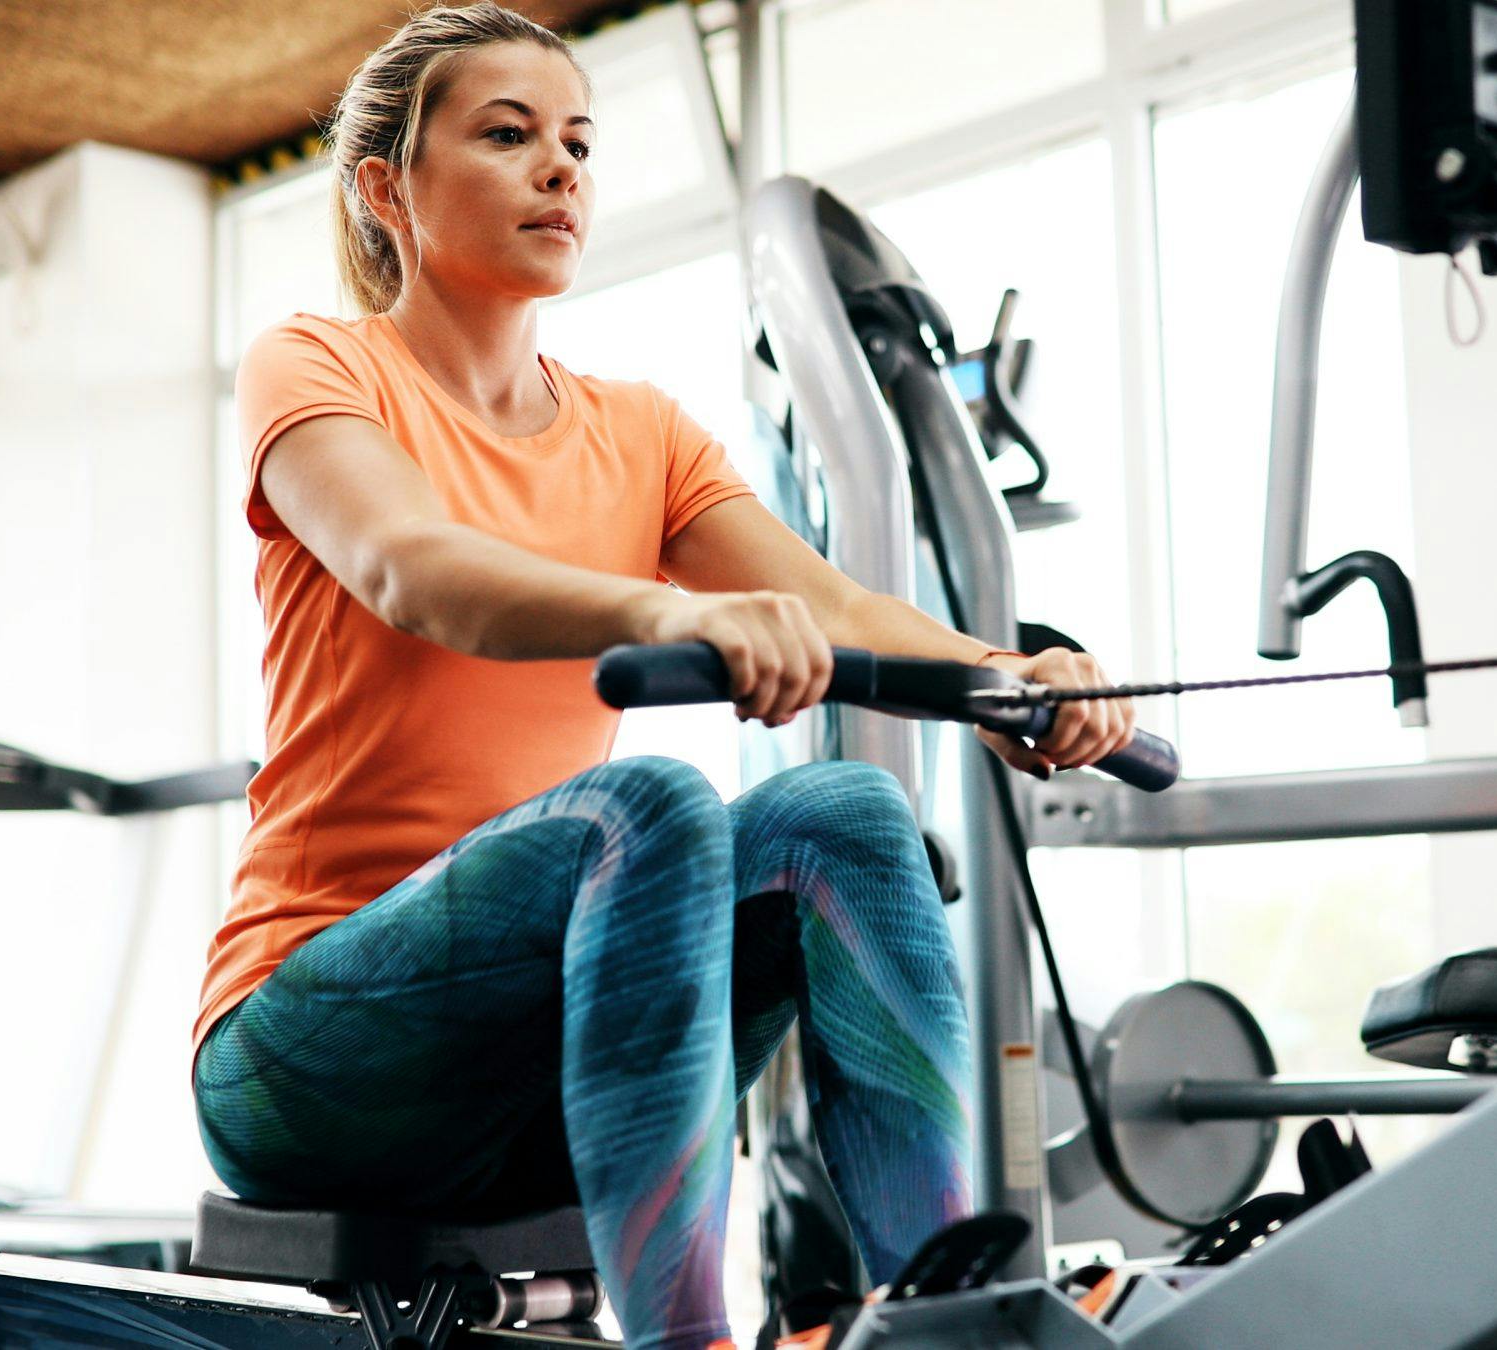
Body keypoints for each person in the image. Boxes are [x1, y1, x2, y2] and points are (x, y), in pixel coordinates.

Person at [188, 7, 1137, 1349]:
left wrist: (1017, 678)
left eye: (577, 141)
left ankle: (946, 1318)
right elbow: (412, 565)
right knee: (647, 806)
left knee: (853, 821)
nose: (559, 169)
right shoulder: (320, 362)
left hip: (537, 1077)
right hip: (304, 1061)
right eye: (508, 136)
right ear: (385, 188)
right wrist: (666, 608)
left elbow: (844, 603)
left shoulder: (641, 432)